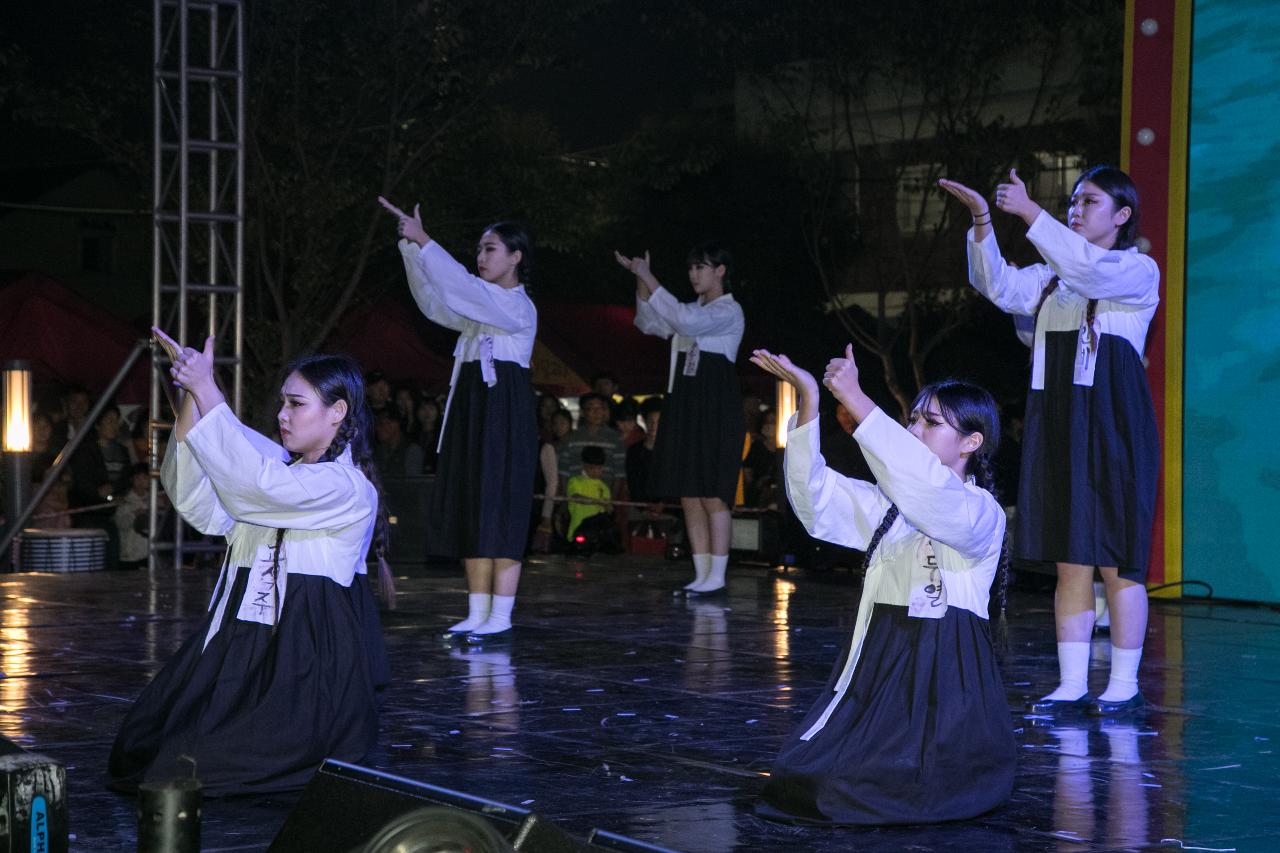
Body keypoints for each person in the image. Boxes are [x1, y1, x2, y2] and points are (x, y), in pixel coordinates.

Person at [109, 333, 388, 795]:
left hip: (302, 656)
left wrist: (208, 390)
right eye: (283, 402)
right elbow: (202, 503)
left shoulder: (348, 487)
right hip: (244, 638)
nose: (282, 414)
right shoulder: (282, 468)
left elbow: (257, 487)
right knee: (145, 746)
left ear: (337, 412)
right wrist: (190, 397)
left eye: (297, 404)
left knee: (187, 770)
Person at [751, 346, 1014, 825]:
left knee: (857, 789)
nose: (915, 431)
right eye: (912, 420)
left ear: (971, 443)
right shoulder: (888, 509)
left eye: (930, 424)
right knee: (803, 777)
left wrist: (855, 397)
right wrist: (808, 397)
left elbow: (931, 492)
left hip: (942, 679)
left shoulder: (980, 512)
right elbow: (815, 500)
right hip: (884, 663)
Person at [940, 165, 1159, 715]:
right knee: (1070, 558)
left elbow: (1090, 272)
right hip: (1061, 420)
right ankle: (1071, 682)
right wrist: (985, 222)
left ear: (1122, 215)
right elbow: (998, 286)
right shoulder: (1052, 278)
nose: (1076, 210)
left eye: (1089, 202)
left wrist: (1031, 213)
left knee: (1117, 559)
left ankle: (1124, 684)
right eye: (1072, 202)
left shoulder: (1138, 270)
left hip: (1113, 423)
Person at [380, 197, 537, 644]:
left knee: (500, 506)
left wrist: (425, 240)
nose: (481, 256)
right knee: (473, 502)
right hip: (474, 410)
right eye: (480, 249)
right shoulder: (479, 309)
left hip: (504, 416)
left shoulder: (517, 307)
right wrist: (412, 251)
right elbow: (436, 301)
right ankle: (477, 611)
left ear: (515, 257)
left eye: (490, 249)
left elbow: (463, 289)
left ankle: (501, 614)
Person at [616, 243, 746, 596]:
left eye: (700, 267)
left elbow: (685, 321)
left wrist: (647, 275)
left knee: (713, 492)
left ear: (720, 270)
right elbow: (647, 322)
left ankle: (717, 574)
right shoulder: (686, 309)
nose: (694, 275)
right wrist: (640, 280)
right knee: (689, 491)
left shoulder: (729, 310)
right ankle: (702, 573)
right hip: (685, 402)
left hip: (715, 406)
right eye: (690, 269)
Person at [565, 446, 616, 550]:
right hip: (578, 532)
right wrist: (597, 501)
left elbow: (609, 509)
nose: (597, 471)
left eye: (600, 468)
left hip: (596, 536)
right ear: (585, 466)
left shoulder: (604, 487)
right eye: (593, 468)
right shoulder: (575, 481)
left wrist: (608, 507)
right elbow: (575, 497)